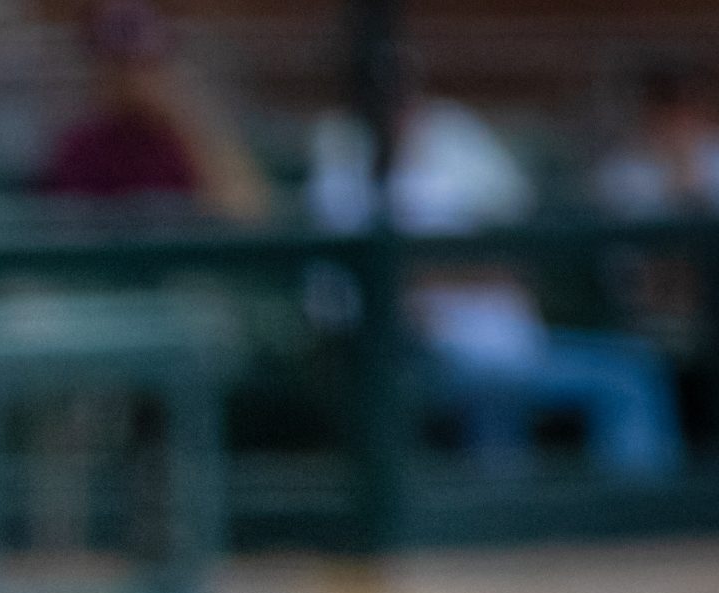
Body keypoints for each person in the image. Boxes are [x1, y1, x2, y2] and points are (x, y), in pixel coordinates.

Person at [310, 78, 685, 479]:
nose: (400, 114)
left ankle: (624, 519)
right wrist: (459, 273)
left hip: (508, 342)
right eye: (386, 104)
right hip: (428, 354)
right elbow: (390, 281)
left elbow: (511, 257)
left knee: (630, 364)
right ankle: (608, 514)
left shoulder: (448, 167)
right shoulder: (344, 180)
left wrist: (456, 272)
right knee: (539, 386)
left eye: (404, 103)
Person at [38, 0, 271, 221]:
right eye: (121, 64)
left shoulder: (192, 132)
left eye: (147, 64)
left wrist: (189, 123)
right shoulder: (81, 145)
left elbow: (249, 213)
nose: (135, 78)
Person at [594, 63, 719, 217]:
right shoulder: (622, 170)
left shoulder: (714, 156)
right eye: (664, 113)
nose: (676, 121)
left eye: (683, 110)